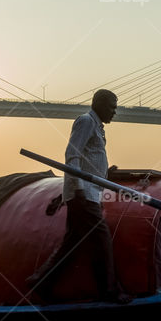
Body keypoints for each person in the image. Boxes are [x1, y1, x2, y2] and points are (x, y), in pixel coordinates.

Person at [26, 89, 132, 304]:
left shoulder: (97, 127)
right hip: (83, 195)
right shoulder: (85, 122)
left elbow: (87, 160)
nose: (115, 111)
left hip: (88, 193)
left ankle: (41, 282)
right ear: (99, 104)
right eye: (112, 106)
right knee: (102, 240)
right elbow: (71, 155)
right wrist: (80, 190)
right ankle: (110, 292)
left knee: (72, 243)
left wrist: (105, 172)